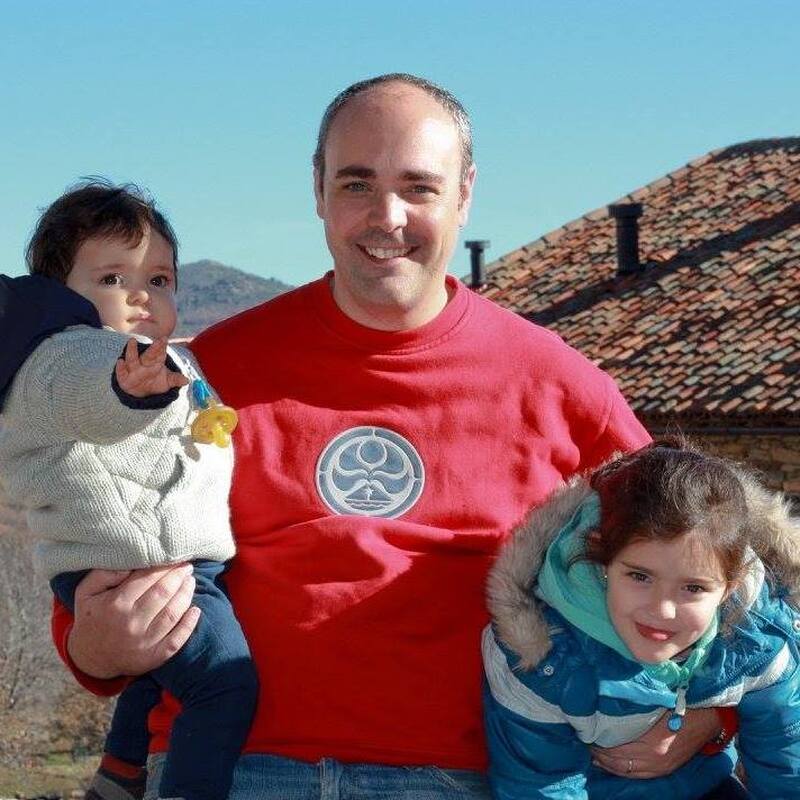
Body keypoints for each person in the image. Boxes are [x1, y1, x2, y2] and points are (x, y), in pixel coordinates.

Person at [52, 75, 723, 800]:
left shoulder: (561, 386)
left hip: (463, 777)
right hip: (229, 768)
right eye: (357, 185)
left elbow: (710, 549)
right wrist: (92, 644)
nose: (387, 217)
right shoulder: (206, 374)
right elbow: (99, 538)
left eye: (418, 188)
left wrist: (713, 713)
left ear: (465, 193)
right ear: (318, 189)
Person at [0, 182, 258, 800]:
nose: (143, 294)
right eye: (113, 278)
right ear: (60, 293)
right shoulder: (67, 354)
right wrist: (123, 389)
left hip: (152, 554)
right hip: (130, 563)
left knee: (153, 671)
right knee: (224, 684)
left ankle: (119, 773)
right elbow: (87, 396)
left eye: (160, 279)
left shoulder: (158, 357)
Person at [483, 438, 800, 799]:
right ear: (603, 562)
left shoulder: (757, 637)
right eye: (639, 576)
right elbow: (540, 785)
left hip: (706, 785)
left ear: (729, 588)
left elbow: (785, 763)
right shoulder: (544, 651)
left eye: (693, 588)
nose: (663, 610)